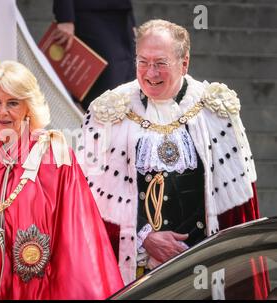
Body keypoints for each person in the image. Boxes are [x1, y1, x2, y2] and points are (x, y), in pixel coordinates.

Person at [78, 19, 261, 288]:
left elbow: (240, 209)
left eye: (161, 63)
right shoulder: (108, 112)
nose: (150, 73)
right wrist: (144, 237)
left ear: (184, 63)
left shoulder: (216, 109)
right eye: (143, 62)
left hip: (204, 273)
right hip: (138, 275)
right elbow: (89, 202)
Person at [0, 61, 123, 300]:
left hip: (33, 289)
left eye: (12, 103)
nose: (2, 112)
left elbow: (75, 232)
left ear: (28, 107)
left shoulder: (54, 153)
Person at [52, 0, 136, 109]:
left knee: (128, 78)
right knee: (107, 80)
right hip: (89, 13)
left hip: (121, 13)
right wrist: (65, 17)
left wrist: (131, 19)